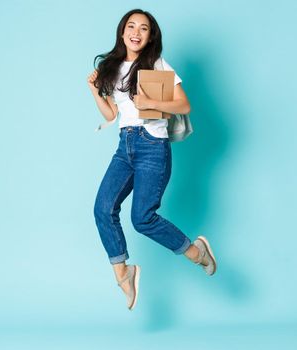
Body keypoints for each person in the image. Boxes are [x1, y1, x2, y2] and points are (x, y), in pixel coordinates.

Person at [87, 9, 217, 311]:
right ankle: (124, 272)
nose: (136, 32)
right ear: (122, 32)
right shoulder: (113, 66)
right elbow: (111, 114)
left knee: (142, 219)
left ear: (150, 37)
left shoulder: (156, 65)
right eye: (131, 26)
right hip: (126, 145)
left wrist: (151, 102)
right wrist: (95, 90)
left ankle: (197, 252)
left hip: (152, 147)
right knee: (103, 208)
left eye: (143, 28)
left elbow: (184, 103)